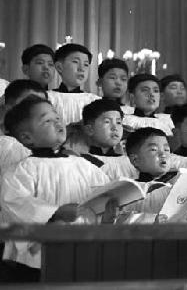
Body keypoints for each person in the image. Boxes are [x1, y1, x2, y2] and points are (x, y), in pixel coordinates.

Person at [0, 96, 111, 279]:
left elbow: (102, 192)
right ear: (27, 136)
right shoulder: (21, 170)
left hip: (81, 249)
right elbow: (14, 202)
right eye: (47, 120)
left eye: (57, 117)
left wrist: (107, 209)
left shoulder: (84, 165)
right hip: (35, 259)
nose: (57, 122)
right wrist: (55, 212)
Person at [82, 99, 138, 180]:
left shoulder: (131, 163)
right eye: (107, 122)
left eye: (118, 122)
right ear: (89, 129)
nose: (115, 128)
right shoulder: (80, 161)